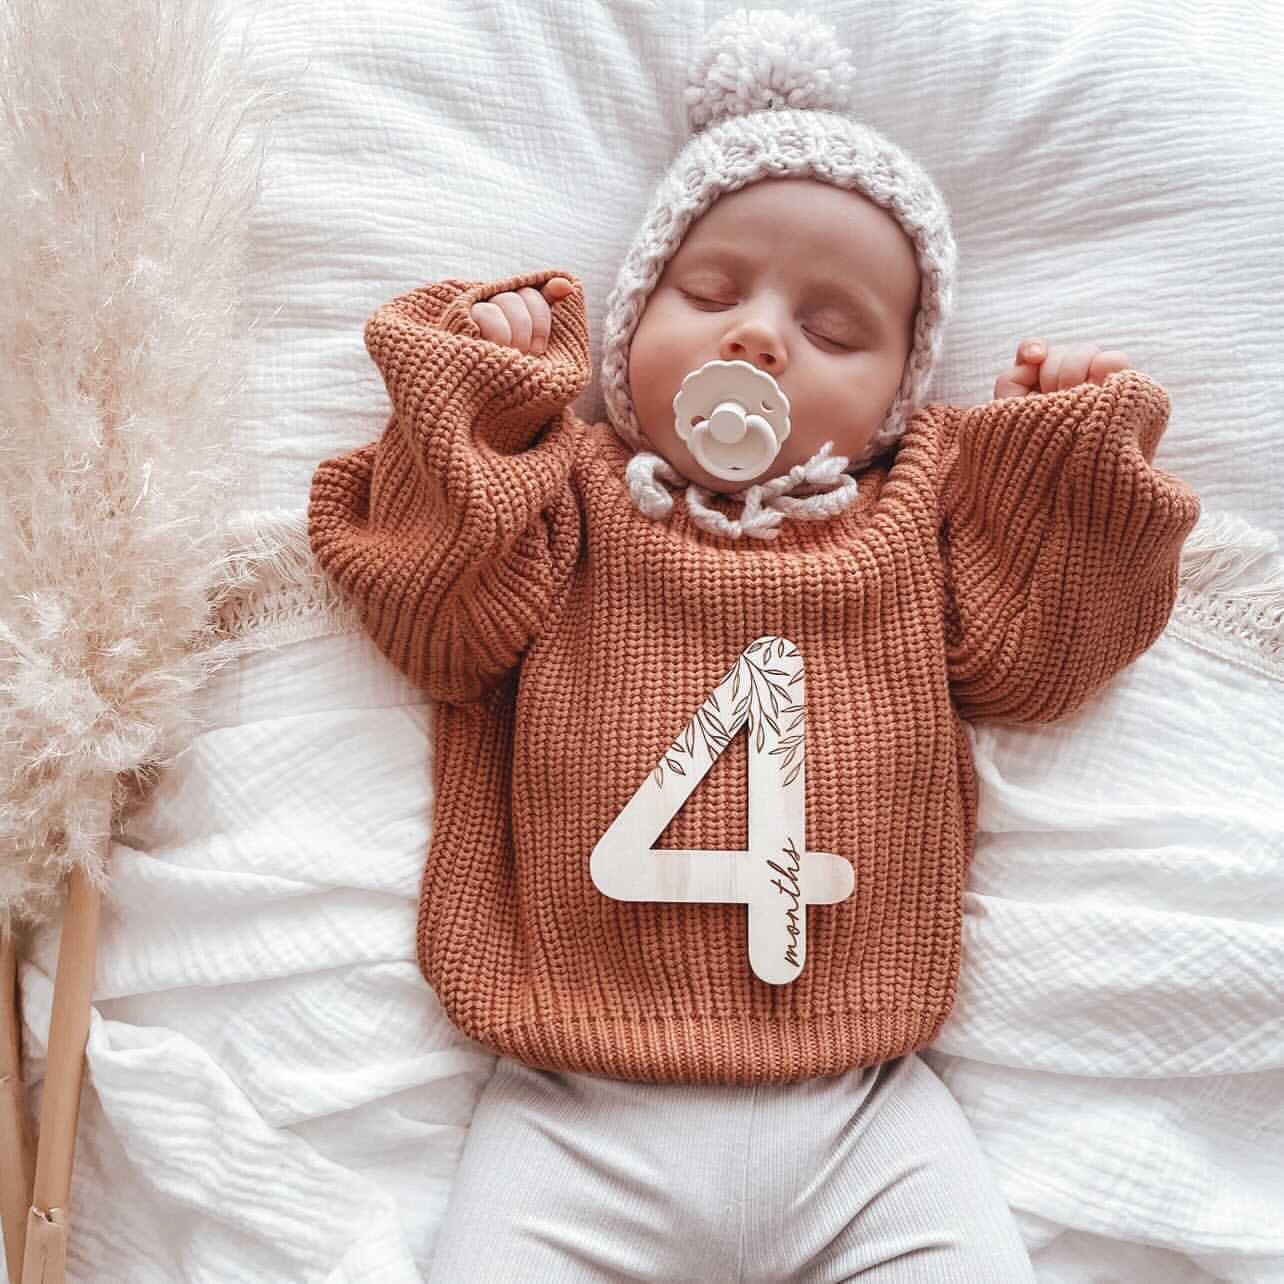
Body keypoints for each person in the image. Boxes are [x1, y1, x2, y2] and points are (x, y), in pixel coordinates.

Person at [307, 9, 1200, 1280]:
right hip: (571, 1106)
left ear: (900, 399)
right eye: (711, 292)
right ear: (625, 336)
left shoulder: (919, 514)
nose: (758, 337)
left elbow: (1044, 659)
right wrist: (484, 401)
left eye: (834, 332)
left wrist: (1061, 460)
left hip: (866, 1112)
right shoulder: (564, 494)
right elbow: (432, 620)